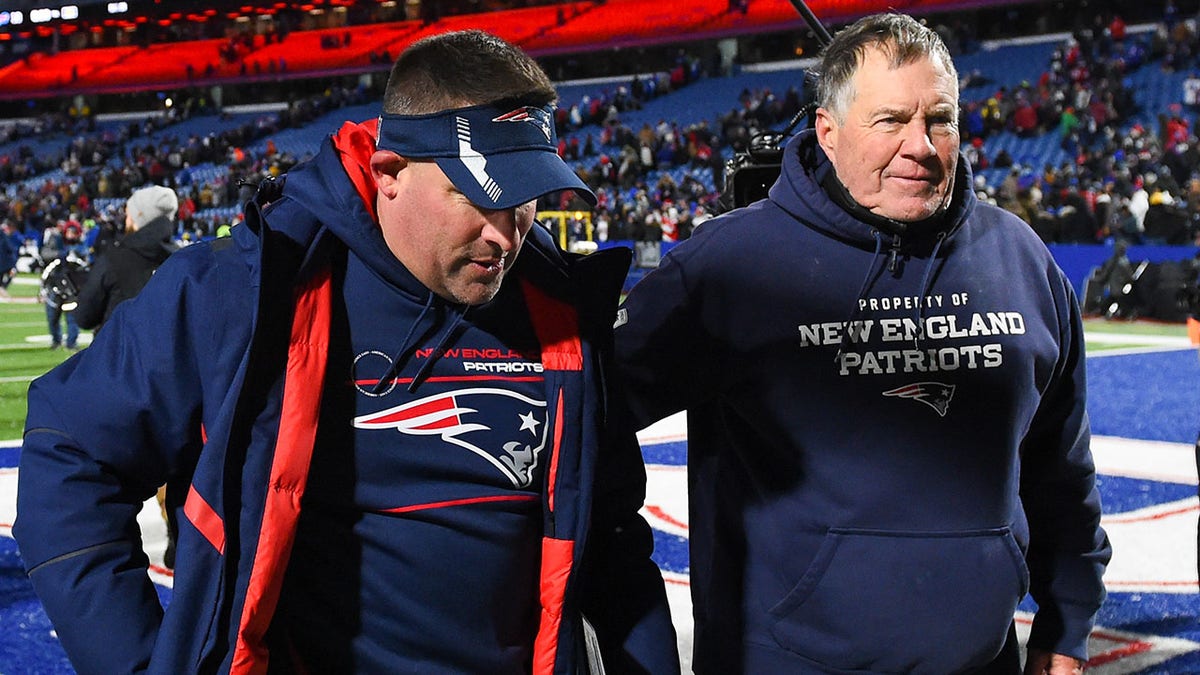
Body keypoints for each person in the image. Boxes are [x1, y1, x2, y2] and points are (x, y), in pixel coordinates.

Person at [14, 29, 677, 675]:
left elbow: (613, 544)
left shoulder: (555, 307)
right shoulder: (251, 285)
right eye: (479, 197)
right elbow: (69, 450)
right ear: (390, 171)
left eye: (526, 198)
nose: (506, 234)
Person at [614, 13, 1110, 675]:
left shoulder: (1020, 259)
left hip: (984, 660)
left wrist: (1067, 622)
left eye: (940, 119)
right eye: (890, 121)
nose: (921, 146)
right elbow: (583, 407)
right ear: (827, 130)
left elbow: (1061, 471)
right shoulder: (729, 265)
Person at [74, 184, 181, 331]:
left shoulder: (114, 258)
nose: (126, 221)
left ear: (139, 217)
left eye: (129, 215)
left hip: (120, 351)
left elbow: (84, 317)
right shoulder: (183, 260)